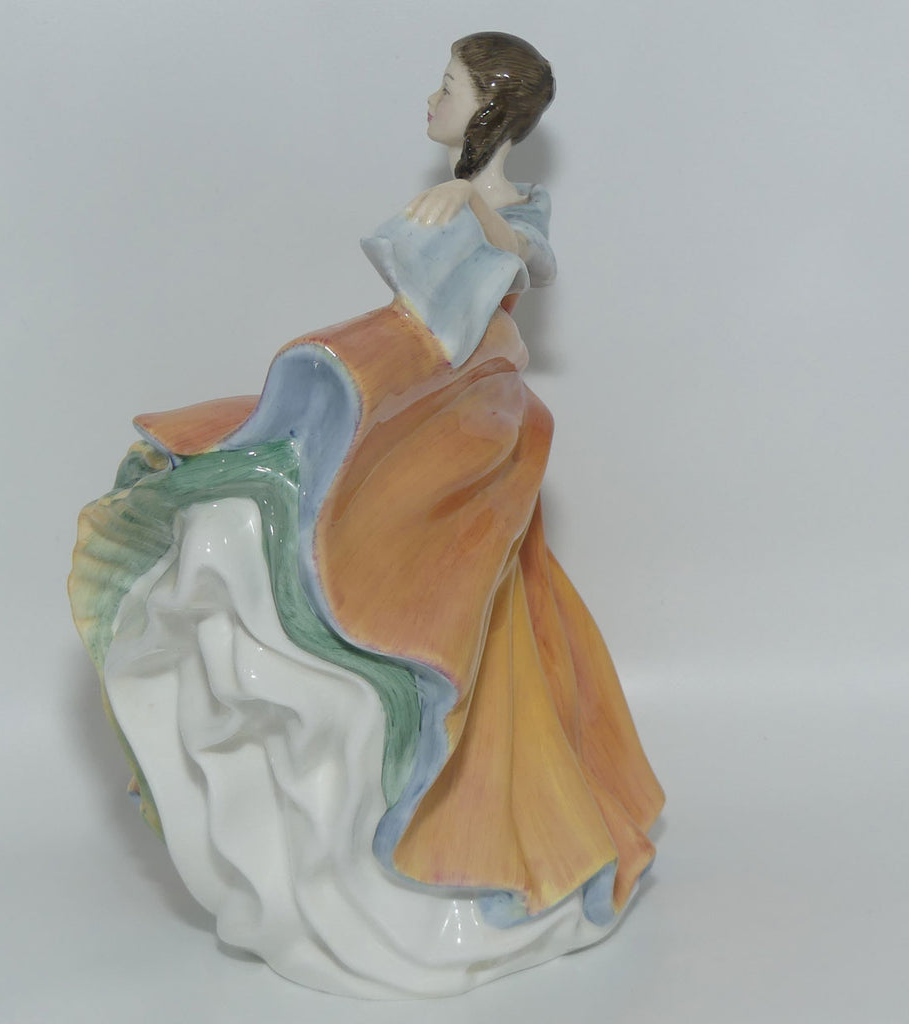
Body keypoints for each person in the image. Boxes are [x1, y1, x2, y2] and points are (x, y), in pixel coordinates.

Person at [70, 33, 664, 998]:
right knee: (290, 498)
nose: (429, 101)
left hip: (469, 403)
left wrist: (474, 205)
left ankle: (457, 825)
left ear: (489, 109)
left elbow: (533, 259)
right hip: (410, 377)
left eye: (448, 87)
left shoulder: (507, 204)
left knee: (452, 604)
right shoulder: (447, 198)